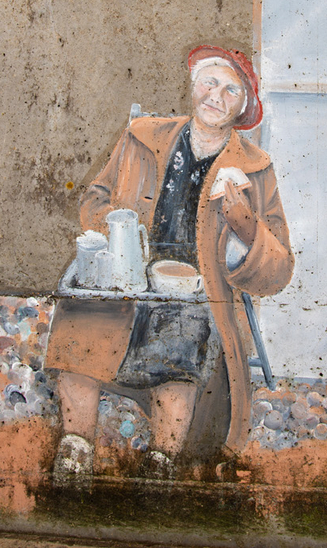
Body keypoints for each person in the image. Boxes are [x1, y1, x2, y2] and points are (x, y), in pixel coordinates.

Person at [45, 45, 293, 480]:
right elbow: (94, 201)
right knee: (79, 318)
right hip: (127, 278)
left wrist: (246, 227)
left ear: (243, 106)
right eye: (209, 83)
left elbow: (279, 271)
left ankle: (160, 463)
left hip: (195, 290)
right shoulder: (141, 136)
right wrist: (118, 232)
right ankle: (75, 449)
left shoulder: (255, 169)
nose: (216, 96)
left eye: (231, 90)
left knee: (183, 342)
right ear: (193, 85)